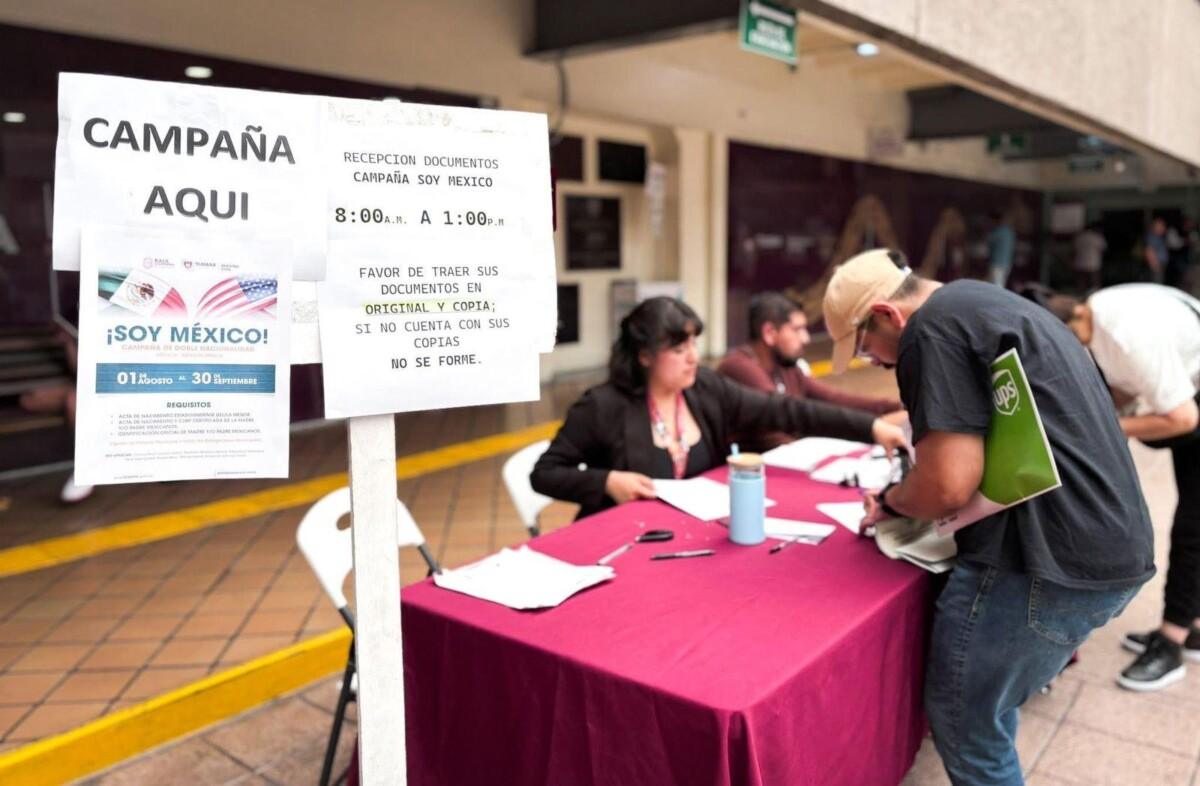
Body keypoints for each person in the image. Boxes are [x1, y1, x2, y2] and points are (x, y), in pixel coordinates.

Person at [824, 249, 1154, 786]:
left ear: (887, 315)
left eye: (866, 348)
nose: (876, 363)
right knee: (990, 703)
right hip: (1109, 543)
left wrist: (890, 503)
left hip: (1043, 568)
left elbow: (947, 485)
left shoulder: (929, 333)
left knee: (965, 719)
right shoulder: (982, 302)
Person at [530, 296, 907, 518]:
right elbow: (544, 474)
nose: (693, 358)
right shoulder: (603, 407)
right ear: (644, 356)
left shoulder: (704, 390)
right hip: (620, 548)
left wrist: (871, 428)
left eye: (694, 345)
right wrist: (607, 481)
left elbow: (787, 411)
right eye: (679, 350)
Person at [1033, 283, 1200, 691]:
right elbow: (1126, 385)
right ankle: (1192, 625)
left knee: (1193, 528)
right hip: (1194, 381)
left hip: (1193, 405)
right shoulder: (1099, 313)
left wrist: (1105, 429)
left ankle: (1171, 644)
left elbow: (1182, 419)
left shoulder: (1128, 334)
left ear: (1072, 326)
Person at [717, 291, 903, 451]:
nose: (806, 338)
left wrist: (897, 407)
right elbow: (779, 427)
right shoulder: (739, 367)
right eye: (797, 329)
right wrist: (869, 428)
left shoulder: (785, 366)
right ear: (769, 333)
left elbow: (833, 398)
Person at [1072, 223, 1106, 294]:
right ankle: (1096, 295)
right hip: (1093, 262)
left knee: (1081, 282)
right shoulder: (1097, 237)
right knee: (1095, 282)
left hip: (1080, 262)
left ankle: (1080, 295)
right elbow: (1102, 249)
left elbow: (1074, 250)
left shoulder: (1079, 237)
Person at [986, 210, 1016, 288]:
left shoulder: (997, 232)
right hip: (1007, 263)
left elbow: (988, 241)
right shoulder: (1009, 232)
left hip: (997, 263)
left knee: (997, 287)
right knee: (999, 285)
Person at [1145, 216, 1169, 284]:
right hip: (1157, 266)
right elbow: (1149, 251)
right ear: (1155, 227)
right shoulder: (1153, 237)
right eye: (1161, 226)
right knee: (1157, 284)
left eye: (1163, 225)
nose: (1164, 228)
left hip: (1160, 265)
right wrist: (1155, 266)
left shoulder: (1159, 237)